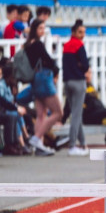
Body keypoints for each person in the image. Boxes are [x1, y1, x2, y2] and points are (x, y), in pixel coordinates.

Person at [23, 19, 60, 156]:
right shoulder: (37, 44)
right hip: (44, 78)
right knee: (58, 112)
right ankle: (37, 138)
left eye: (43, 28)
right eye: (40, 28)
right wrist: (55, 69)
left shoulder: (27, 44)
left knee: (41, 115)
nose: (43, 31)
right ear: (35, 29)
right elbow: (48, 60)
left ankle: (40, 147)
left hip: (35, 79)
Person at [62, 20, 90, 156]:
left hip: (67, 82)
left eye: (83, 32)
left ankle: (83, 143)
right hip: (78, 81)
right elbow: (86, 65)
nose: (82, 35)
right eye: (80, 32)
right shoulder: (79, 45)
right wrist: (80, 66)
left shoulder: (66, 45)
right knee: (76, 115)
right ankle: (72, 145)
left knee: (75, 114)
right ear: (73, 32)